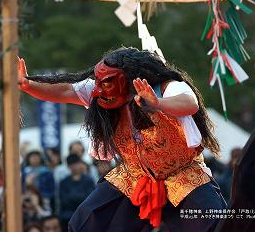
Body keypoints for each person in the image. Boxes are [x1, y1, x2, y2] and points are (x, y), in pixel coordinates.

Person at [18, 47, 226, 232]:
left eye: (107, 82)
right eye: (99, 82)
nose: (99, 88)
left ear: (128, 80)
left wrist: (158, 104)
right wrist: (28, 85)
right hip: (133, 176)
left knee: (216, 225)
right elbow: (66, 90)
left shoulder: (166, 87)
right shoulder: (100, 92)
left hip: (182, 174)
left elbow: (190, 104)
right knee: (88, 222)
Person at [59, 154, 95, 232]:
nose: (75, 167)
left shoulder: (88, 180)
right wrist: (79, 197)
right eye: (72, 165)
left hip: (84, 213)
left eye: (77, 164)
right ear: (68, 166)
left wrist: (72, 196)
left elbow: (90, 199)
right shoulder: (63, 182)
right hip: (68, 214)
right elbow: (64, 201)